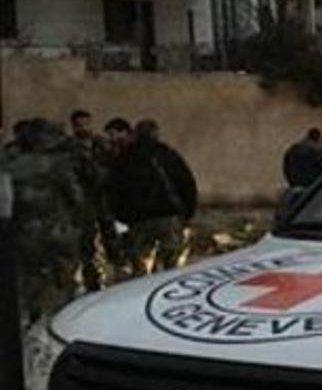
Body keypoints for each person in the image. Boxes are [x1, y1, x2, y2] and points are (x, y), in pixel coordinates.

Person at [5, 119, 86, 327]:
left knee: (30, 281)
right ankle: (61, 322)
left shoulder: (10, 166)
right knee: (63, 280)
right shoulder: (58, 164)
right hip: (58, 231)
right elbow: (77, 198)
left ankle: (32, 319)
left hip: (24, 233)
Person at [108, 120, 197, 275]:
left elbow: (115, 190)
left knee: (141, 269)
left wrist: (122, 217)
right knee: (173, 268)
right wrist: (187, 213)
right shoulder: (167, 154)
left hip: (139, 221)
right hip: (168, 217)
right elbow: (186, 183)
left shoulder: (125, 158)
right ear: (156, 133)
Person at [69, 109, 117, 291]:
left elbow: (112, 166)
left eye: (86, 124)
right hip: (84, 202)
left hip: (103, 199)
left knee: (111, 239)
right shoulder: (70, 148)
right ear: (74, 126)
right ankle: (92, 283)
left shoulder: (100, 144)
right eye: (80, 125)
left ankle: (117, 276)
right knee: (86, 245)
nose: (84, 128)